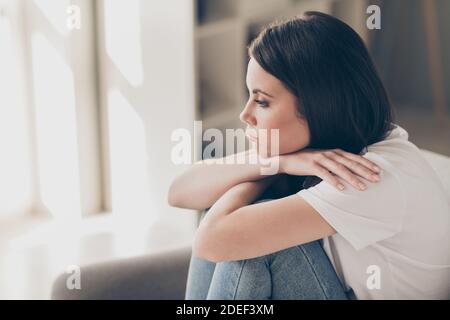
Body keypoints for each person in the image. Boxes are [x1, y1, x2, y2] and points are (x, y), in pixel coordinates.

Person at [168, 11, 450, 300]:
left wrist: (269, 168)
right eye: (249, 95)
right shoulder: (336, 140)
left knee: (251, 243)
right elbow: (178, 192)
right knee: (227, 201)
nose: (245, 114)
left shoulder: (366, 175)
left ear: (318, 107)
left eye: (262, 101)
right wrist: (277, 162)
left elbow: (211, 240)